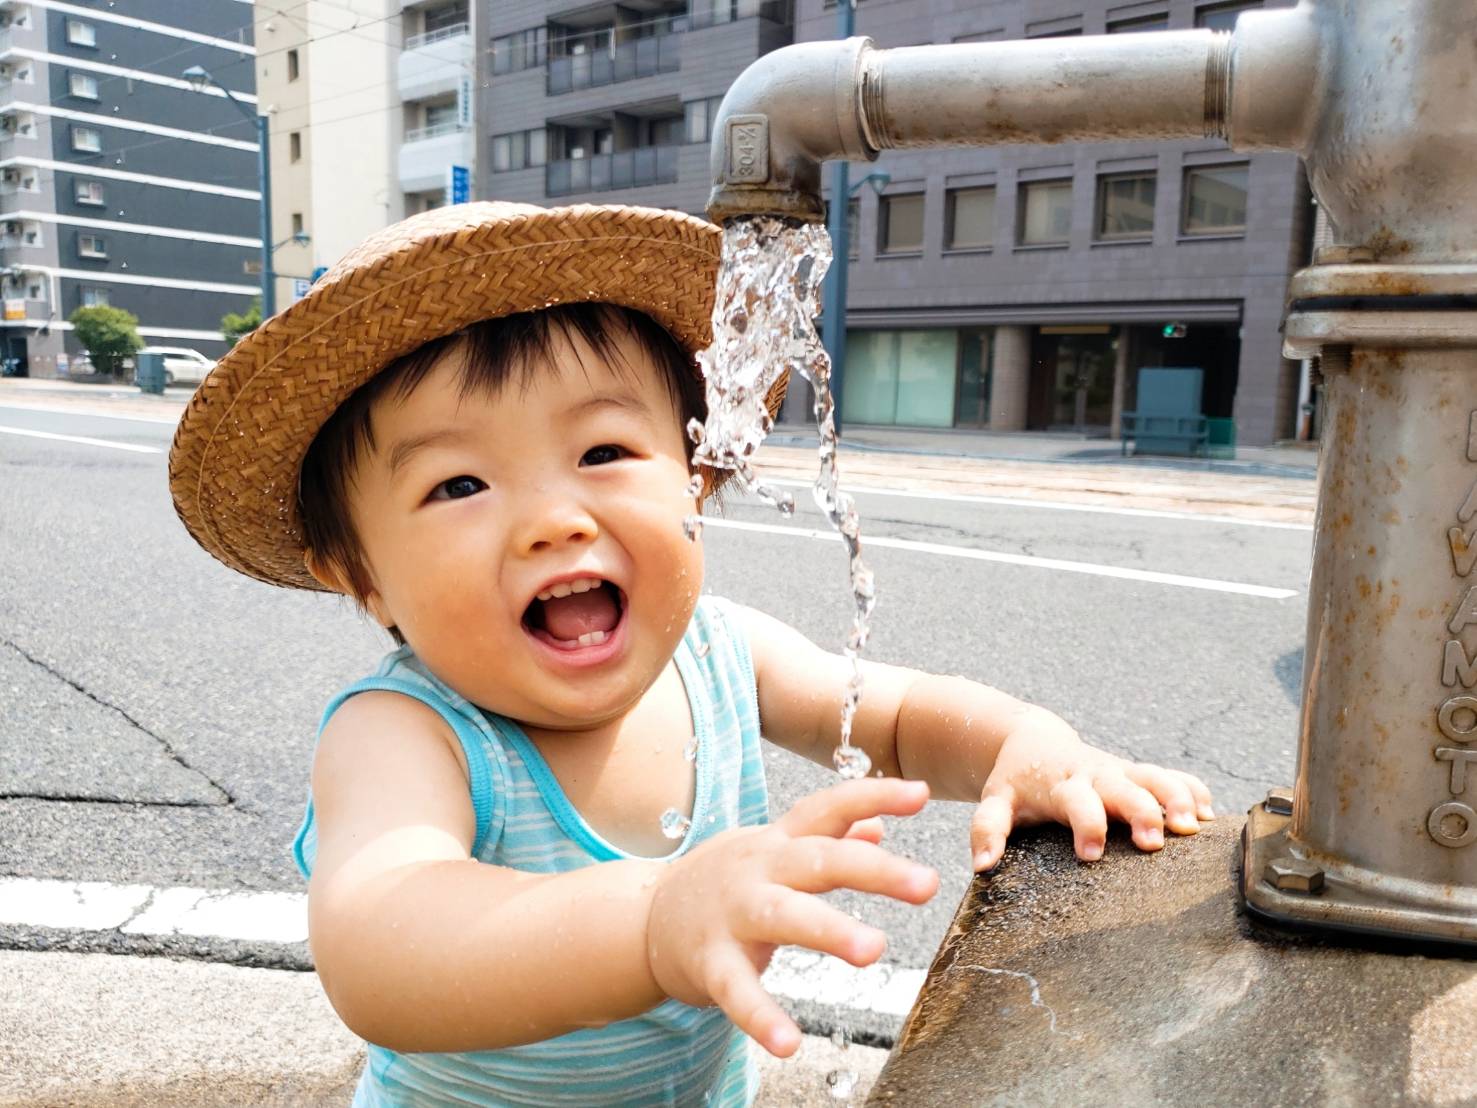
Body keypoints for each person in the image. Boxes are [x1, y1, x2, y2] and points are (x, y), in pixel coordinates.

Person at [169, 201, 1214, 1106]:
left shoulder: (719, 653)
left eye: (605, 452)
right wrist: (654, 919)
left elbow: (889, 715)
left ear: (693, 475)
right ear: (358, 572)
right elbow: (380, 941)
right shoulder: (407, 732)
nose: (552, 519)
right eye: (458, 485)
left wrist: (1023, 745)